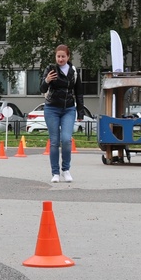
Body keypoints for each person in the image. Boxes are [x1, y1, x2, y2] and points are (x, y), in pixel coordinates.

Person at [39, 43, 84, 183]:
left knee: (66, 139)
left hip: (68, 109)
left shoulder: (74, 72)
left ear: (68, 57)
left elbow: (79, 93)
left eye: (63, 56)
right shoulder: (50, 69)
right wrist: (47, 80)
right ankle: (55, 173)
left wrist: (80, 112)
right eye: (58, 56)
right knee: (54, 142)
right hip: (52, 108)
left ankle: (66, 170)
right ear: (55, 57)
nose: (60, 59)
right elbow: (41, 88)